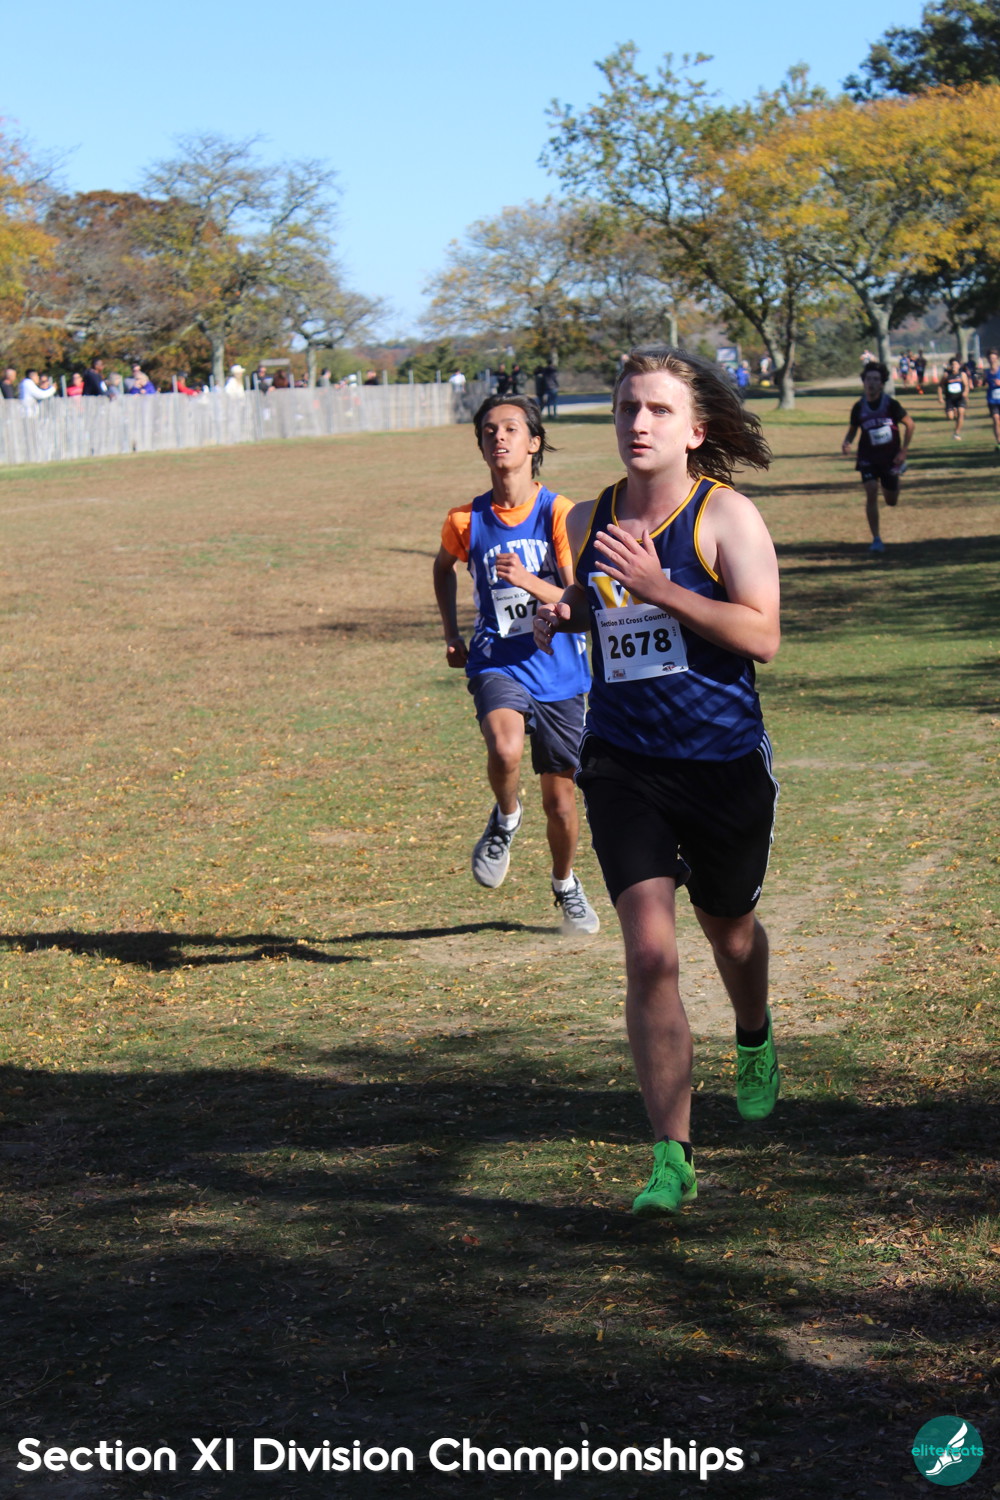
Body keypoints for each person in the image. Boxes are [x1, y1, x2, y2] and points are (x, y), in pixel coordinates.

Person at [533, 346, 781, 1215]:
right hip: (623, 762)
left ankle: (753, 1032)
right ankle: (672, 1158)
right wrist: (564, 611)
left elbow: (762, 636)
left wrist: (659, 585)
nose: (638, 424)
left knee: (730, 934)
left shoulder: (726, 517)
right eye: (626, 408)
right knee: (649, 953)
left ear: (695, 429)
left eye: (659, 410)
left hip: (721, 766)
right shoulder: (587, 518)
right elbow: (599, 607)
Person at [432, 394, 599, 934]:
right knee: (504, 748)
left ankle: (565, 884)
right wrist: (452, 634)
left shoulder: (559, 513)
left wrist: (528, 581)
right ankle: (505, 817)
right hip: (496, 658)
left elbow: (577, 597)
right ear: (481, 447)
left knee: (561, 803)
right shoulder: (466, 518)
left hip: (560, 669)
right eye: (488, 431)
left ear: (534, 443)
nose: (498, 437)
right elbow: (442, 568)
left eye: (510, 429)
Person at [841, 361, 915, 555]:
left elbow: (910, 424)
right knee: (871, 490)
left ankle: (898, 472)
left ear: (882, 384)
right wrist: (847, 441)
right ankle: (876, 539)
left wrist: (903, 451)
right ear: (863, 382)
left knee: (891, 501)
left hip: (890, 458)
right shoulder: (858, 407)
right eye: (868, 379)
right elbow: (853, 430)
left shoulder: (891, 405)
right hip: (868, 457)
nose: (871, 383)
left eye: (876, 379)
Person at [938, 356, 970, 439]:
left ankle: (957, 433)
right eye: (952, 364)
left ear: (959, 365)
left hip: (960, 398)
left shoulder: (962, 374)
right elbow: (940, 386)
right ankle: (954, 412)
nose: (954, 366)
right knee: (950, 417)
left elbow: (966, 385)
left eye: (956, 364)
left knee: (961, 413)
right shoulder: (946, 375)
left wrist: (965, 393)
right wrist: (940, 397)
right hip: (950, 399)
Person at [983, 348, 1000, 451]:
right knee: (996, 420)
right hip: (992, 400)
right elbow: (982, 383)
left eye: (994, 358)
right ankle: (999, 442)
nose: (992, 360)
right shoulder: (986, 372)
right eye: (990, 358)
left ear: (997, 358)